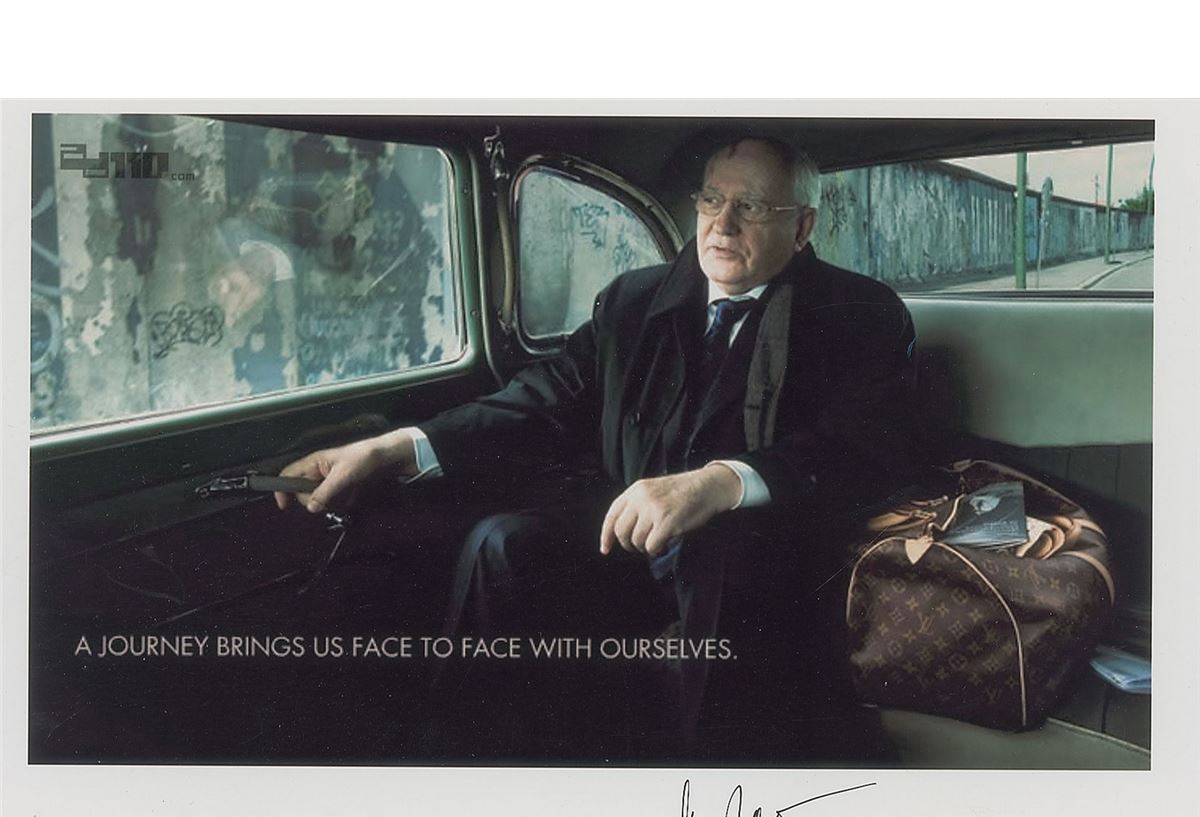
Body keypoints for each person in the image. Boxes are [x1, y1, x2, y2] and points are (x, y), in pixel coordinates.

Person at [274, 137, 923, 762]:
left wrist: (720, 482)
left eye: (750, 206)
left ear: (802, 226)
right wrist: (391, 448)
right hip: (625, 538)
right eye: (711, 199)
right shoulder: (633, 301)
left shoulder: (860, 313)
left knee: (724, 561)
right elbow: (540, 398)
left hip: (757, 557)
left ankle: (694, 801)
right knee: (504, 544)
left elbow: (863, 448)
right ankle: (469, 765)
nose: (722, 224)